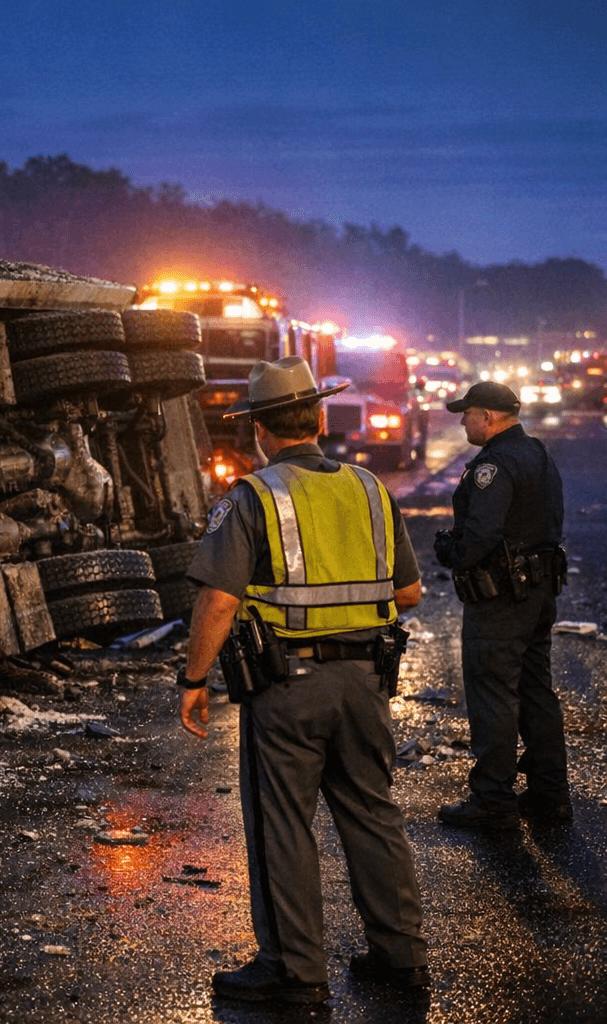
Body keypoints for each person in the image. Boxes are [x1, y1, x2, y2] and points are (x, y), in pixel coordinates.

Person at [177, 357, 428, 1004]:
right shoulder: (371, 489)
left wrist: (194, 678)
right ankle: (401, 957)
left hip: (287, 686)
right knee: (372, 812)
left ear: (259, 429)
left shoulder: (253, 496)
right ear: (319, 418)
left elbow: (218, 601)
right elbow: (409, 593)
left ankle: (295, 970)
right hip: (366, 681)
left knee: (283, 822)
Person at [433, 380, 569, 828]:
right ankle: (550, 794)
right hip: (539, 591)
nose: (462, 422)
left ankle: (493, 799)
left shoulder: (493, 464)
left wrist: (451, 550)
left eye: (467, 414)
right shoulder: (537, 453)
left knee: (493, 691)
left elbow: (481, 535)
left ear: (487, 417)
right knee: (535, 691)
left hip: (501, 599)